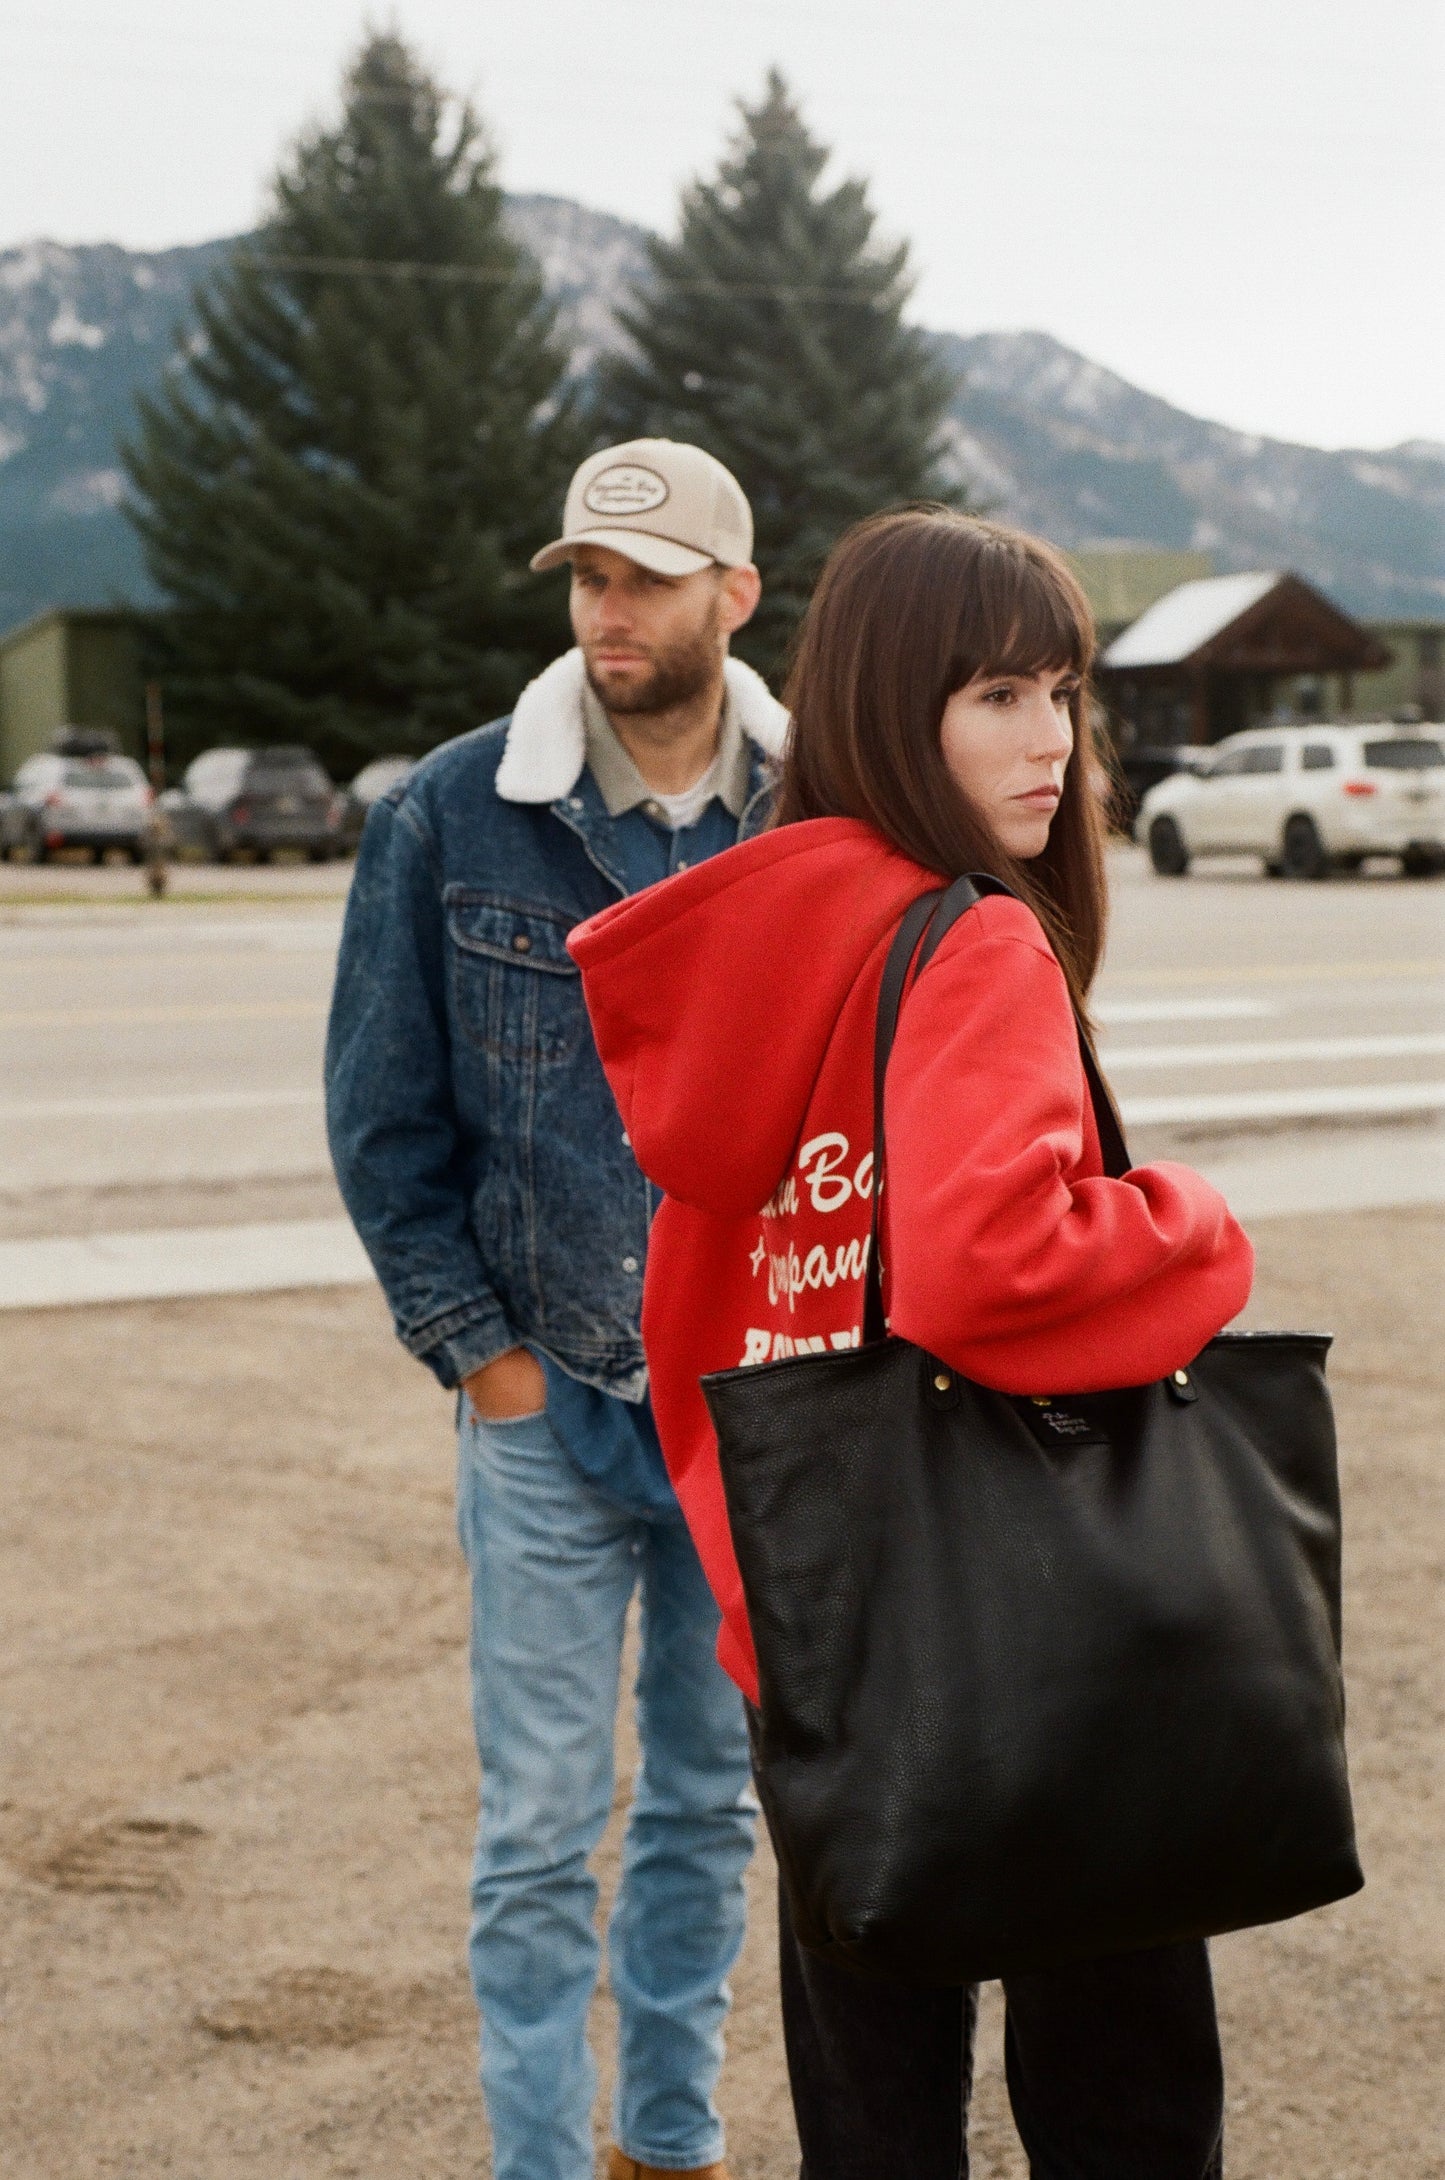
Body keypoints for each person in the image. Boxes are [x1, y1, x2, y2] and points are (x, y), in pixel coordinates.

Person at [570, 509, 1255, 2178]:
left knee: (872, 2106)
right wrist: (1192, 1226)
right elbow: (987, 1265)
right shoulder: (971, 936)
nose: (1048, 742)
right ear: (890, 706)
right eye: (996, 696)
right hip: (1023, 1618)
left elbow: (697, 1306)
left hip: (814, 1608)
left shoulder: (750, 942)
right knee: (1120, 2096)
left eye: (1062, 694)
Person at [325, 440, 785, 2180]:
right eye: (588, 576)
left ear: (732, 598)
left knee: (701, 1811)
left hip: (750, 1410)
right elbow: (384, 1120)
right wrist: (486, 1362)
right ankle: (537, 2164)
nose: (608, 609)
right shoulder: (450, 813)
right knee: (531, 1835)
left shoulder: (816, 813)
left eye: (646, 579)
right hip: (548, 1413)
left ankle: (668, 2147)